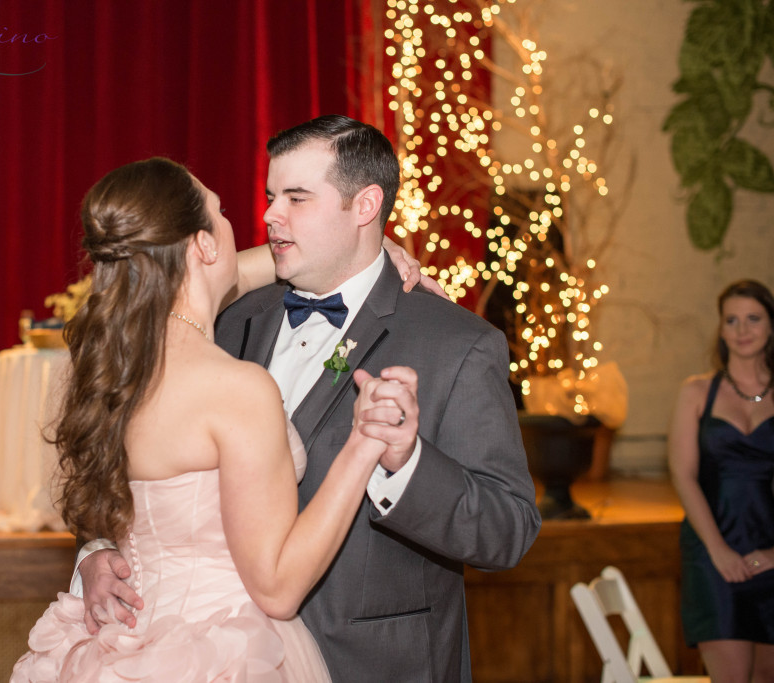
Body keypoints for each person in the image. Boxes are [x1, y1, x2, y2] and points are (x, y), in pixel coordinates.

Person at [79, 115, 541, 681]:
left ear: (365, 206)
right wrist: (99, 549)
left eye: (297, 198)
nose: (271, 215)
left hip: (376, 666)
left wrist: (405, 465)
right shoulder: (223, 318)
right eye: (271, 196)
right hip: (218, 658)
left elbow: (508, 530)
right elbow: (128, 458)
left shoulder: (456, 343)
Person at [11, 157, 422, 681]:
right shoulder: (235, 389)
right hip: (222, 653)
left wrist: (360, 249)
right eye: (219, 211)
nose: (245, 224)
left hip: (122, 645)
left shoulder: (107, 370)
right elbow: (277, 588)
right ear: (204, 245)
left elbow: (239, 267)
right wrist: (365, 444)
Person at [669, 279, 774, 682]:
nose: (742, 330)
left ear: (770, 326)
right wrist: (718, 551)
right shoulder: (696, 392)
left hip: (769, 550)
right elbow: (683, 474)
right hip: (711, 554)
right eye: (732, 320)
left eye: (753, 319)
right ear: (721, 328)